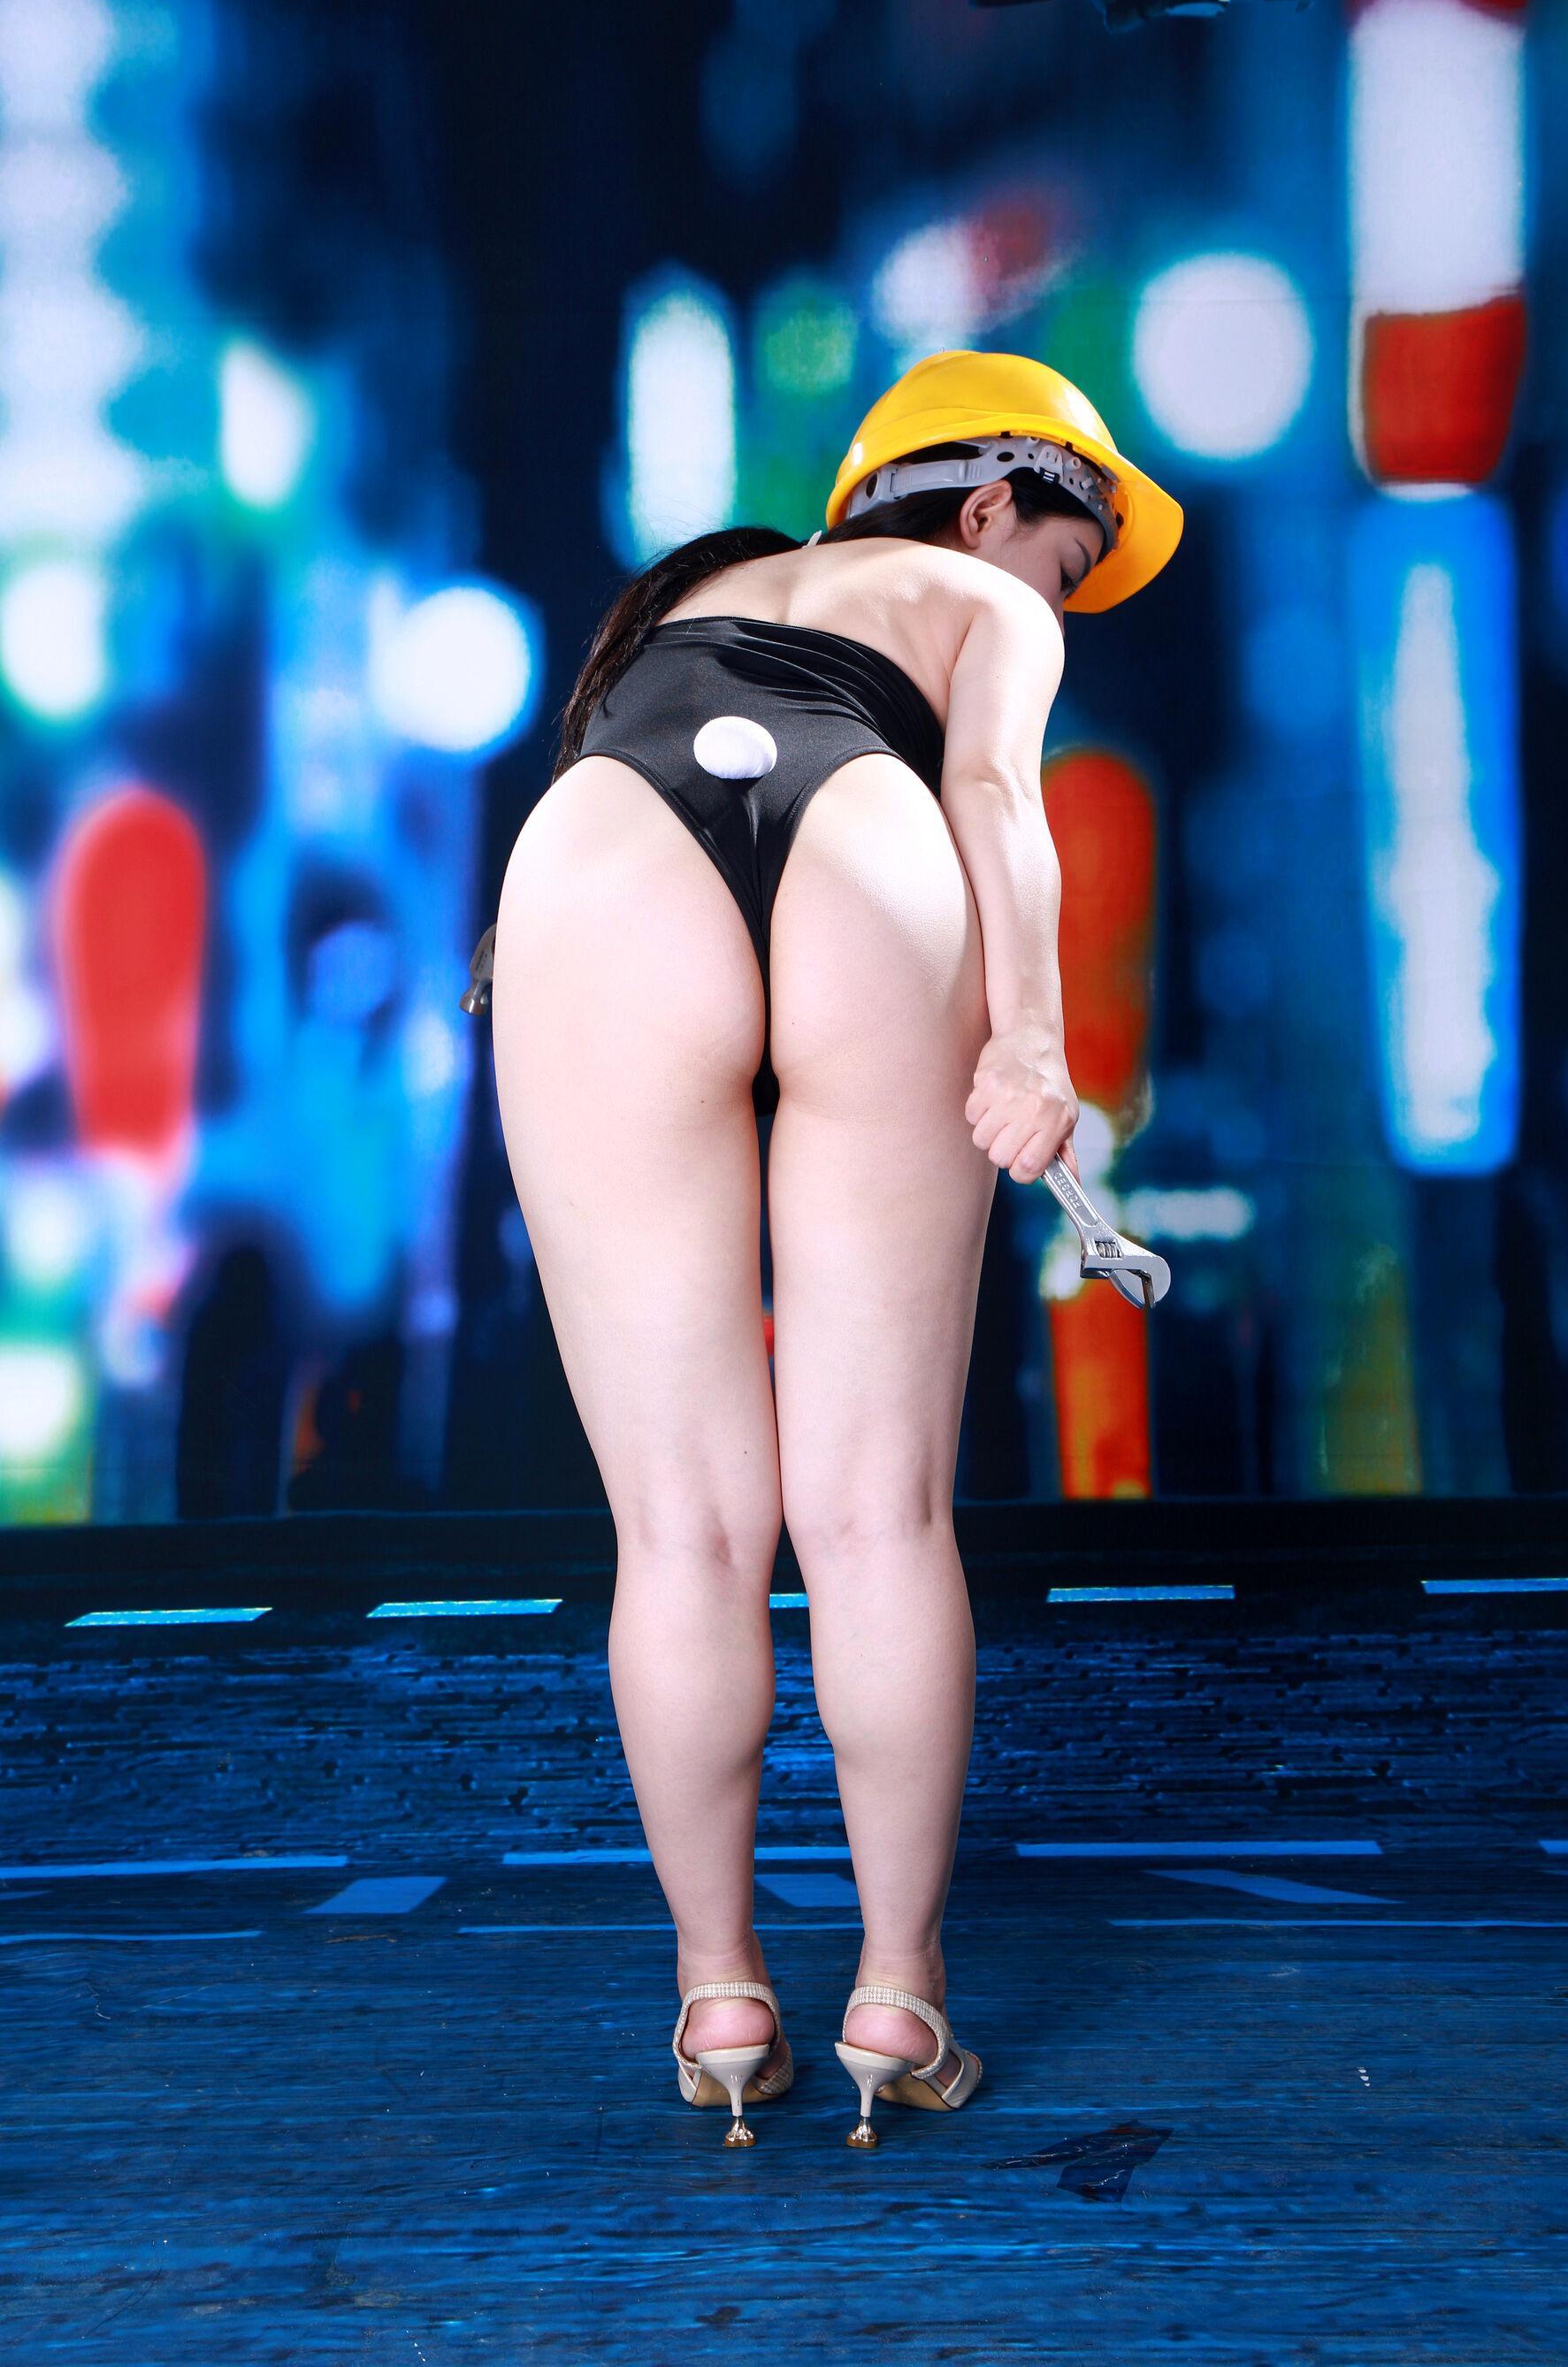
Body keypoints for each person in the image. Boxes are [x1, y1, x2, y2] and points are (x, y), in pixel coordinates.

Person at [478, 349, 1182, 2148]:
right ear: (989, 503)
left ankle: (721, 1994)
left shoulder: (697, 590)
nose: (1057, 596)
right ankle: (897, 1993)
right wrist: (1033, 1043)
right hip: (868, 838)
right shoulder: (975, 603)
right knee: (874, 1518)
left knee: (683, 1531)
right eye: (1068, 561)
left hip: (604, 854)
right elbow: (997, 797)